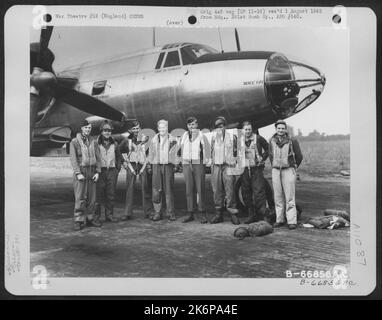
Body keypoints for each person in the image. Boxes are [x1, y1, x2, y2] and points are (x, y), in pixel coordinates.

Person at [269, 120, 303, 230]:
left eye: (283, 128)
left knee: (289, 197)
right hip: (276, 170)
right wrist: (275, 165)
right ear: (276, 129)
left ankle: (292, 221)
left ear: (285, 129)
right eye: (278, 128)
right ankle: (279, 220)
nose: (280, 130)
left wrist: (294, 166)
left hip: (288, 170)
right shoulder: (272, 140)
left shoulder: (292, 140)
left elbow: (299, 156)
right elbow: (270, 155)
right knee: (278, 197)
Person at [69, 119, 101, 231]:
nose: (88, 130)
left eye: (89, 128)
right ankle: (78, 220)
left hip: (92, 171)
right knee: (80, 198)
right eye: (86, 128)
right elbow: (73, 159)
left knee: (92, 198)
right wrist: (78, 173)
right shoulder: (74, 142)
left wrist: (97, 172)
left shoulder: (94, 141)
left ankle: (91, 218)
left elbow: (98, 158)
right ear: (81, 128)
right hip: (81, 172)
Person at [119, 120, 153, 220]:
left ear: (140, 128)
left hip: (143, 165)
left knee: (145, 188)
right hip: (132, 165)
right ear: (130, 130)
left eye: (137, 128)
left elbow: (150, 151)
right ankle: (127, 213)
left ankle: (148, 211)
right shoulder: (126, 140)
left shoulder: (146, 139)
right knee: (129, 188)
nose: (136, 130)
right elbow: (119, 150)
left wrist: (149, 163)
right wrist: (123, 161)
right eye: (133, 129)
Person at [180, 116, 211, 224]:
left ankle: (202, 212)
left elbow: (206, 148)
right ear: (187, 126)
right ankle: (190, 213)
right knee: (189, 189)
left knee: (200, 188)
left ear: (197, 125)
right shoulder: (184, 135)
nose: (191, 126)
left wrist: (205, 160)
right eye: (189, 125)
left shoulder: (201, 135)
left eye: (193, 124)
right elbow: (181, 147)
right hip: (187, 163)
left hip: (198, 163)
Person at [210, 116, 240, 225]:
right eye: (217, 127)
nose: (219, 128)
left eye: (221, 126)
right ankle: (218, 214)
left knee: (230, 190)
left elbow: (237, 152)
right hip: (217, 167)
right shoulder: (213, 138)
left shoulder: (233, 137)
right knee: (217, 191)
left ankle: (233, 213)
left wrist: (234, 162)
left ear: (225, 126)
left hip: (228, 167)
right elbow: (211, 152)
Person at [148, 119, 180, 221]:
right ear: (158, 128)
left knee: (169, 189)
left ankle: (170, 213)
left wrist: (175, 165)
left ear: (167, 128)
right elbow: (150, 154)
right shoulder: (153, 140)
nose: (162, 129)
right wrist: (150, 166)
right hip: (156, 166)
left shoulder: (173, 139)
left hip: (168, 166)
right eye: (160, 127)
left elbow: (177, 153)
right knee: (156, 190)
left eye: (164, 127)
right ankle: (157, 212)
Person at [240, 122, 269, 224]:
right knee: (246, 192)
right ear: (242, 130)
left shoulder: (258, 138)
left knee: (259, 192)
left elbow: (268, 148)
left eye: (249, 129)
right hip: (244, 169)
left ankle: (263, 215)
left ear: (251, 129)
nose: (247, 131)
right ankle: (251, 215)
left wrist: (263, 157)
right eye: (245, 129)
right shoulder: (239, 140)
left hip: (256, 168)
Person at [95, 120, 123, 223]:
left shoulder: (114, 144)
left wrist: (117, 169)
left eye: (109, 131)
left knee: (111, 195)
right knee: (98, 196)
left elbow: (119, 157)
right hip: (100, 172)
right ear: (101, 131)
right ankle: (96, 217)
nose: (107, 132)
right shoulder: (96, 143)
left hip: (112, 172)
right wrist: (96, 171)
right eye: (105, 130)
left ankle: (109, 215)